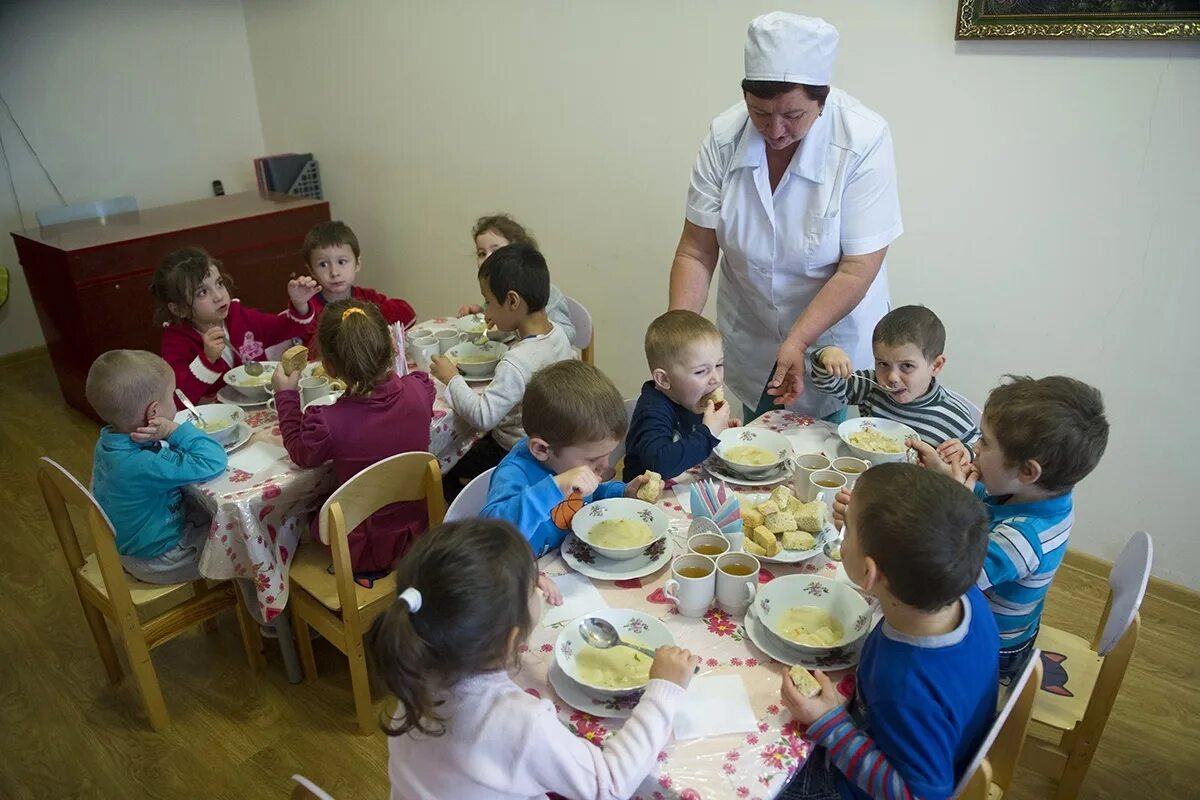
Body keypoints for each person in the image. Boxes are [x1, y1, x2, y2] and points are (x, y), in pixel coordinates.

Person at [668, 12, 901, 423]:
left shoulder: (863, 139)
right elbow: (696, 251)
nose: (774, 130)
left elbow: (858, 267)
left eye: (792, 116)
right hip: (752, 334)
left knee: (833, 459)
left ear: (821, 100)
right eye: (760, 112)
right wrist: (674, 342)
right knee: (756, 451)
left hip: (835, 337)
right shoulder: (724, 138)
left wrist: (798, 340)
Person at [368, 518, 699, 800]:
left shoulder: (415, 666)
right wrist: (662, 691)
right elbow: (610, 785)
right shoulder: (519, 722)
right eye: (532, 587)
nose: (540, 590)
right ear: (512, 638)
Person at [780, 464, 998, 799]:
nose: (843, 534)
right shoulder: (963, 596)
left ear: (870, 574)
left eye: (847, 531)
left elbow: (920, 795)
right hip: (922, 737)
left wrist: (830, 724)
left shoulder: (905, 685)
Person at [908, 375, 1109, 681]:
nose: (974, 446)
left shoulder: (1022, 540)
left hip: (993, 649)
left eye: (986, 442)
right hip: (1002, 618)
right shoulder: (1039, 492)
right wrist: (945, 479)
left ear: (1028, 471)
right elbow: (988, 506)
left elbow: (943, 582)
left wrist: (953, 506)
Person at [272, 299, 436, 576]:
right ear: (394, 347)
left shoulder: (326, 422)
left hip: (361, 550)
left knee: (294, 521)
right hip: (418, 533)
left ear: (329, 368)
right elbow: (413, 390)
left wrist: (286, 396)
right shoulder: (420, 391)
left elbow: (301, 454)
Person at [432, 243, 575, 499]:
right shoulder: (559, 334)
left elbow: (483, 416)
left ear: (512, 301)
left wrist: (451, 378)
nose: (486, 310)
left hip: (513, 451)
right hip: (551, 445)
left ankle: (469, 520)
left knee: (442, 465)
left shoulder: (516, 362)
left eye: (488, 302)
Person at [482, 360, 649, 560]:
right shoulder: (515, 473)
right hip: (527, 578)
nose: (605, 466)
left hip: (569, 561)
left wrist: (620, 491)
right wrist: (555, 487)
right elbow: (492, 539)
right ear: (542, 449)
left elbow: (584, 498)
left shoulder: (567, 460)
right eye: (594, 458)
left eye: (608, 454)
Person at [85, 350, 227, 584]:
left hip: (132, 547)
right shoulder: (142, 464)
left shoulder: (109, 442)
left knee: (214, 517)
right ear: (154, 412)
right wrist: (173, 430)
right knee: (240, 539)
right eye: (171, 396)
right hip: (160, 559)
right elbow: (214, 460)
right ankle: (266, 617)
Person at [811, 305, 980, 464]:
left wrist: (966, 451)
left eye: (907, 366)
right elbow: (830, 386)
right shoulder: (872, 386)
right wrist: (826, 355)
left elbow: (981, 447)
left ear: (935, 366)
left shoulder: (952, 414)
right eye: (883, 364)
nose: (892, 377)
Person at [151, 246, 318, 407]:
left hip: (263, 407)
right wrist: (207, 359)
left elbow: (286, 328)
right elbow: (178, 400)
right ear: (178, 309)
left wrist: (299, 304)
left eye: (219, 283)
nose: (218, 296)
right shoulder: (176, 342)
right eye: (202, 292)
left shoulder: (239, 316)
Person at [623, 310, 734, 482]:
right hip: (644, 502)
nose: (716, 379)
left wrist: (721, 430)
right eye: (700, 371)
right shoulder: (652, 409)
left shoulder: (692, 399)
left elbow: (692, 442)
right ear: (664, 379)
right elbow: (660, 465)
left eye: (719, 364)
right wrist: (708, 433)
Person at [458, 213, 576, 343]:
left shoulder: (549, 293)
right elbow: (498, 322)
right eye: (481, 253)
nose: (488, 259)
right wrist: (480, 313)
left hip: (544, 358)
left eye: (497, 252)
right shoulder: (494, 289)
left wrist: (541, 330)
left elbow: (569, 334)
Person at [300, 220, 417, 341]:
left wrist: (373, 312)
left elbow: (408, 314)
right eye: (323, 264)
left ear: (357, 264)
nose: (334, 272)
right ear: (311, 270)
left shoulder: (367, 299)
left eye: (342, 262)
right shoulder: (307, 309)